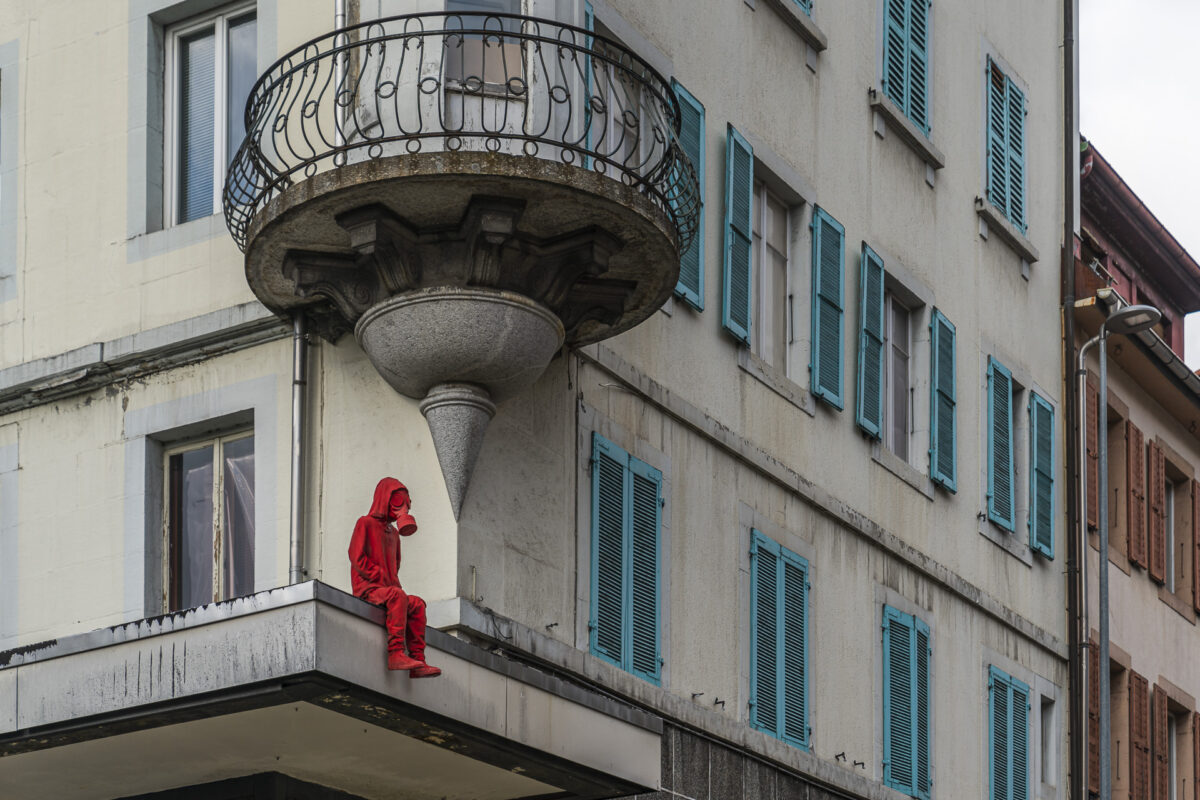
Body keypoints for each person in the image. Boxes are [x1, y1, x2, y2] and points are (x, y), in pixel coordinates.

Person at [348, 477, 441, 677]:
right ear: (385, 498)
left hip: (388, 590)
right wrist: (377, 575)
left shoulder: (394, 534)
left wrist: (391, 582)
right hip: (368, 590)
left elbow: (396, 564)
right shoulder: (365, 523)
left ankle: (418, 659)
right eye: (399, 502)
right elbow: (356, 556)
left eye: (406, 504)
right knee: (398, 596)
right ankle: (395, 653)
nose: (403, 508)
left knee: (417, 604)